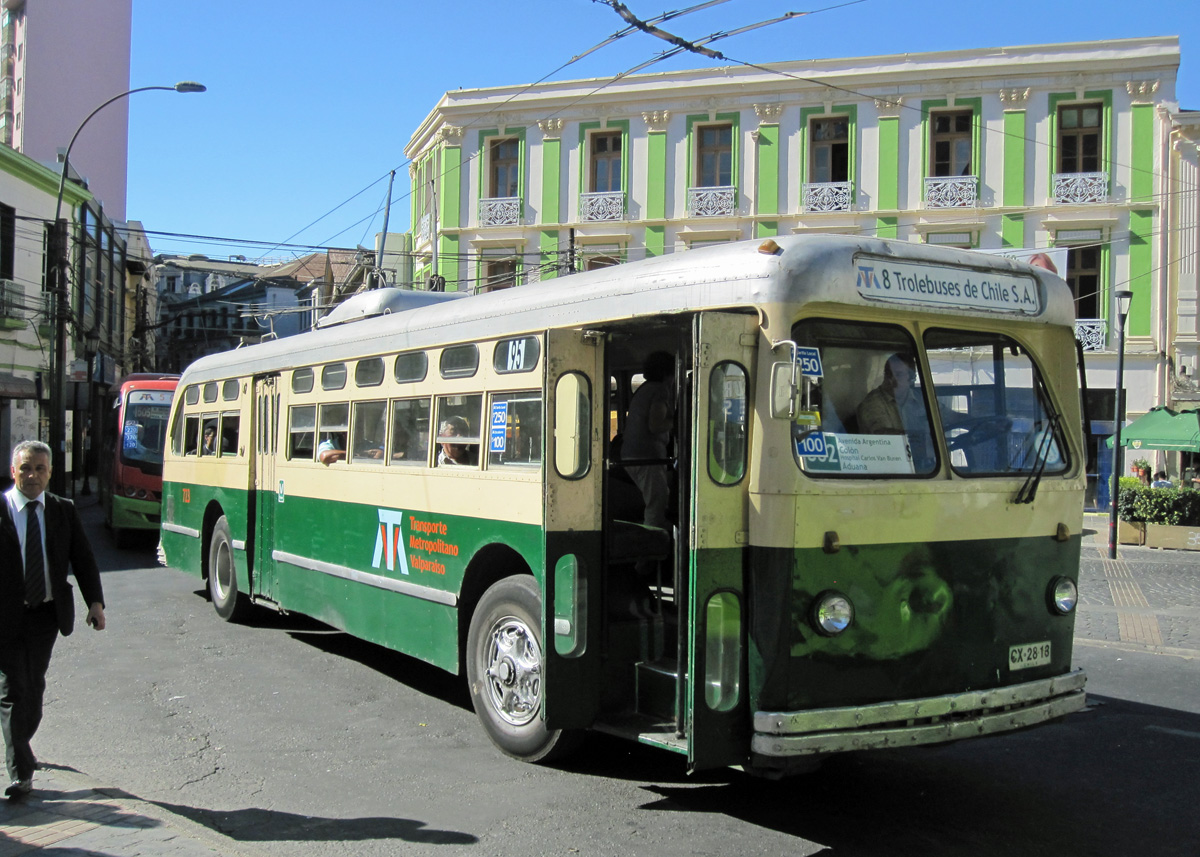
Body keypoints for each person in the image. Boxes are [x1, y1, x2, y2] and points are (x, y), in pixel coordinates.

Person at [1, 440, 105, 800]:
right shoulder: (1, 510)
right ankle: (21, 773)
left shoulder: (62, 510)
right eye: (25, 468)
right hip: (4, 616)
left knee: (34, 687)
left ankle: (21, 746)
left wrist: (95, 602)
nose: (32, 475)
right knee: (12, 690)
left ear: (49, 473)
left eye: (40, 469)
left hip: (46, 614)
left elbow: (83, 557)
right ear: (13, 471)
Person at [623, 352, 676, 532]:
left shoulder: (644, 389)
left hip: (632, 455)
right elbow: (656, 424)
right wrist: (681, 420)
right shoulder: (660, 390)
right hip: (646, 457)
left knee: (660, 498)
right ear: (667, 373)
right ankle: (647, 553)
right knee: (657, 503)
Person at [856, 352, 934, 468]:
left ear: (911, 378)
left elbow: (946, 416)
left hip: (924, 466)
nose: (891, 380)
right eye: (888, 374)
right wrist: (919, 438)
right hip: (887, 467)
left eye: (898, 375)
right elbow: (883, 437)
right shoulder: (872, 403)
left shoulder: (921, 400)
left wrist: (968, 420)